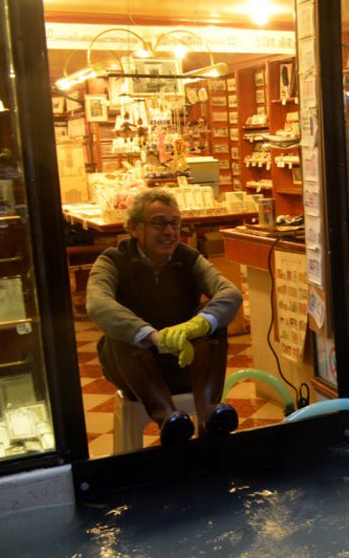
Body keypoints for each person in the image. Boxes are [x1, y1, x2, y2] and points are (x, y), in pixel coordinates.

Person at [86, 189, 242, 446]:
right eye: (159, 223)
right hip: (134, 371)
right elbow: (97, 303)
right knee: (121, 333)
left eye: (175, 223)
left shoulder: (189, 258)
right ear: (134, 228)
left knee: (214, 322)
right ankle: (168, 419)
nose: (170, 232)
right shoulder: (113, 260)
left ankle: (209, 413)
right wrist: (150, 335)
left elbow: (230, 293)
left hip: (183, 364)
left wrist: (198, 324)